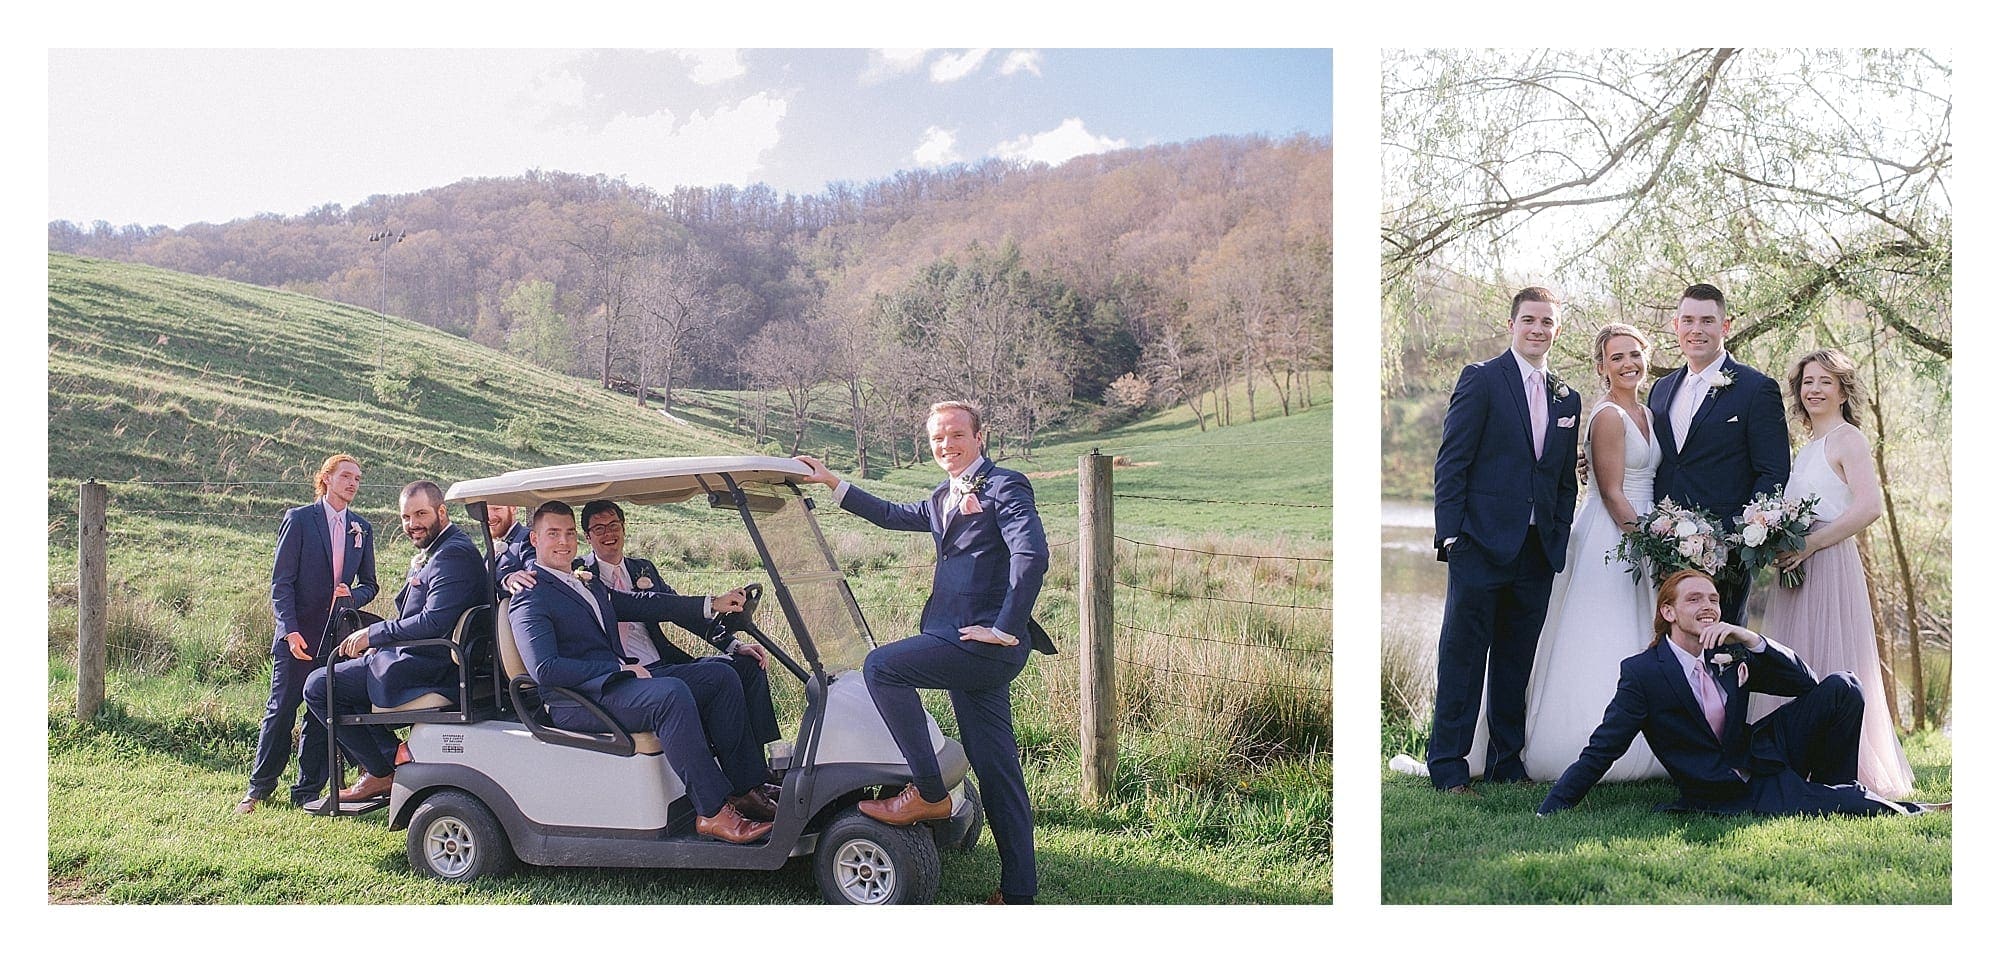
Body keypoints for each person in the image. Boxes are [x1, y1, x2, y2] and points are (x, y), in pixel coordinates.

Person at [795, 399, 1051, 905]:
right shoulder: (942, 496)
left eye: (956, 434)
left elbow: (1031, 555)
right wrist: (831, 482)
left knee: (882, 668)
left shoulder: (1005, 486)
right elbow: (891, 515)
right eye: (937, 438)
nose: (946, 445)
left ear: (980, 436)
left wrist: (1005, 627)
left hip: (982, 644)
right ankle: (1020, 893)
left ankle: (930, 794)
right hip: (961, 645)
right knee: (998, 769)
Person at [1537, 570, 1943, 817]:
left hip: (1760, 750)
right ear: (1668, 612)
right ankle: (1901, 809)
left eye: (1713, 599)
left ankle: (1832, 787)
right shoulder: (1644, 674)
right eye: (1694, 599)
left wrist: (1751, 638)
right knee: (1820, 799)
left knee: (1845, 686)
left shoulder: (1728, 650)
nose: (1709, 606)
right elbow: (1603, 748)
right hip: (1727, 785)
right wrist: (1552, 806)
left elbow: (1806, 685)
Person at [507, 501, 775, 843]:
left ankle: (741, 789)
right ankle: (711, 812)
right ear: (534, 539)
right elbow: (545, 669)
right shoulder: (529, 595)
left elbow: (644, 603)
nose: (564, 541)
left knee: (721, 676)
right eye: (553, 534)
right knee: (670, 695)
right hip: (577, 700)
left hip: (611, 687)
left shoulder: (583, 582)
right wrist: (620, 667)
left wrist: (711, 603)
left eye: (569, 533)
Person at [1425, 288, 1582, 794]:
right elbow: (1453, 462)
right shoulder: (1482, 379)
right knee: (1464, 659)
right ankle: (1448, 766)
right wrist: (1451, 536)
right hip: (1479, 545)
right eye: (1530, 320)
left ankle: (1506, 763)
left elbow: (1560, 477)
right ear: (1512, 324)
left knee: (1516, 662)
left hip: (1537, 552)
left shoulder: (1567, 397)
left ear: (1557, 330)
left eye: (1547, 322)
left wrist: (1557, 531)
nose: (1538, 329)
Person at [1751, 349, 1915, 798]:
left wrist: (1812, 545)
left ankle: (1842, 761)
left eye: (1825, 381)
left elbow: (1869, 508)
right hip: (1798, 564)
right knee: (1799, 656)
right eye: (1807, 382)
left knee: (1832, 655)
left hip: (1829, 559)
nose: (1814, 390)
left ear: (1843, 389)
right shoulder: (1804, 451)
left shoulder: (1849, 440)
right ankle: (1798, 758)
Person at [1515, 324, 1670, 781]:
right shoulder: (1607, 416)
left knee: (1643, 632)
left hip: (1647, 525)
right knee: (1604, 633)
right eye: (1617, 357)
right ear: (1601, 367)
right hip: (1615, 535)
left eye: (1634, 355)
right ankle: (1581, 740)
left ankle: (1652, 740)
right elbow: (1610, 492)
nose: (1628, 364)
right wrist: (1647, 544)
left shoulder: (1648, 413)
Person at [303, 480, 487, 801]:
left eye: (421, 514)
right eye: (405, 517)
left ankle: (382, 770)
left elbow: (433, 623)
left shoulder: (452, 556)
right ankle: (390, 760)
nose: (412, 524)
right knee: (342, 681)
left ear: (441, 512)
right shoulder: (443, 549)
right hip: (417, 656)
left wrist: (373, 635)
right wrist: (380, 641)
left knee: (319, 686)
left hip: (427, 665)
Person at [576, 499, 782, 747]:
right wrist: (513, 575)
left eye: (614, 526)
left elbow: (677, 609)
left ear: (624, 527)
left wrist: (733, 645)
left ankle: (766, 762)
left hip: (661, 664)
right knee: (721, 676)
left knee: (749, 666)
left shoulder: (643, 568)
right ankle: (748, 780)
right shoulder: (579, 573)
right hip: (623, 677)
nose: (608, 534)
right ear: (587, 537)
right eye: (599, 529)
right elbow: (641, 604)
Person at [237, 454, 378, 814]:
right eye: (346, 476)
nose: (353, 483)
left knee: (320, 716)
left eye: (358, 479)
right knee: (281, 712)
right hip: (298, 638)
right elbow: (281, 583)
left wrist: (352, 596)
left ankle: (306, 793)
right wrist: (289, 631)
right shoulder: (299, 519)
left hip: (336, 641)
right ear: (326, 479)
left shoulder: (362, 528)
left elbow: (370, 585)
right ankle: (258, 791)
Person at [1648, 283, 1788, 625]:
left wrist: (1738, 539)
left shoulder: (1756, 389)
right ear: (1675, 325)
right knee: (1665, 651)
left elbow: (1773, 473)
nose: (1697, 330)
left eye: (1707, 321)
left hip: (1724, 555)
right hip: (1661, 546)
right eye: (1688, 320)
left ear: (1725, 326)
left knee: (1720, 651)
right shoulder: (1661, 389)